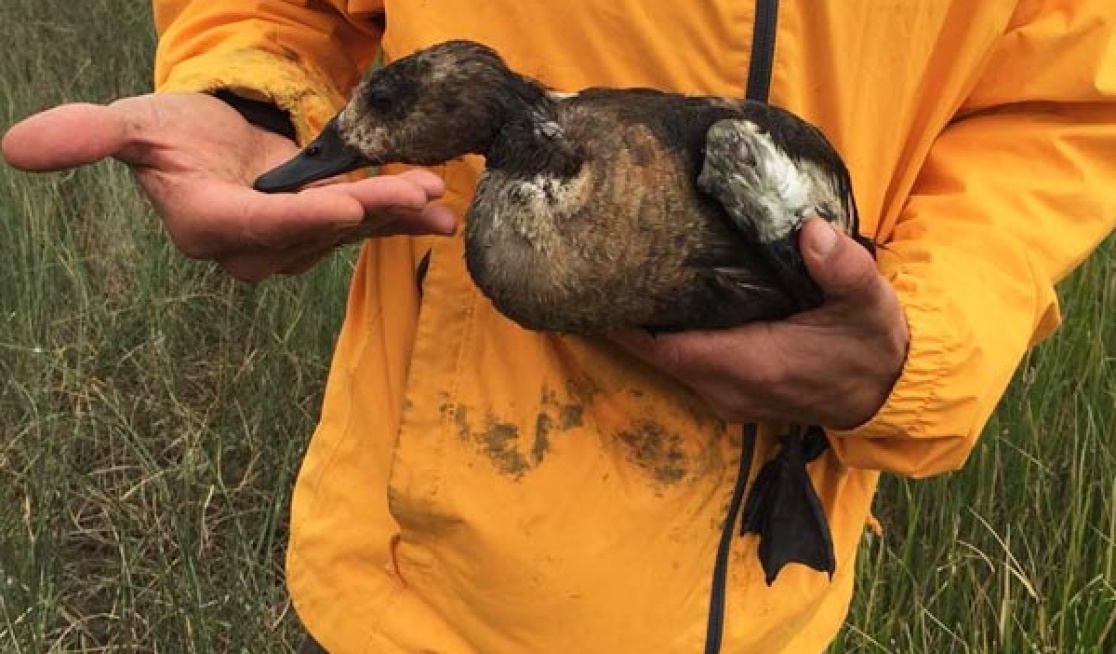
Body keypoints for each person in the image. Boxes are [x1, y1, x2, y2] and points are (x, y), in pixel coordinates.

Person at [2, 2, 1113, 653]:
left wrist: (915, 342)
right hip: (419, 597)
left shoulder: (739, 166)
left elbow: (1065, 105)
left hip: (765, 614)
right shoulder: (522, 169)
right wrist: (250, 98)